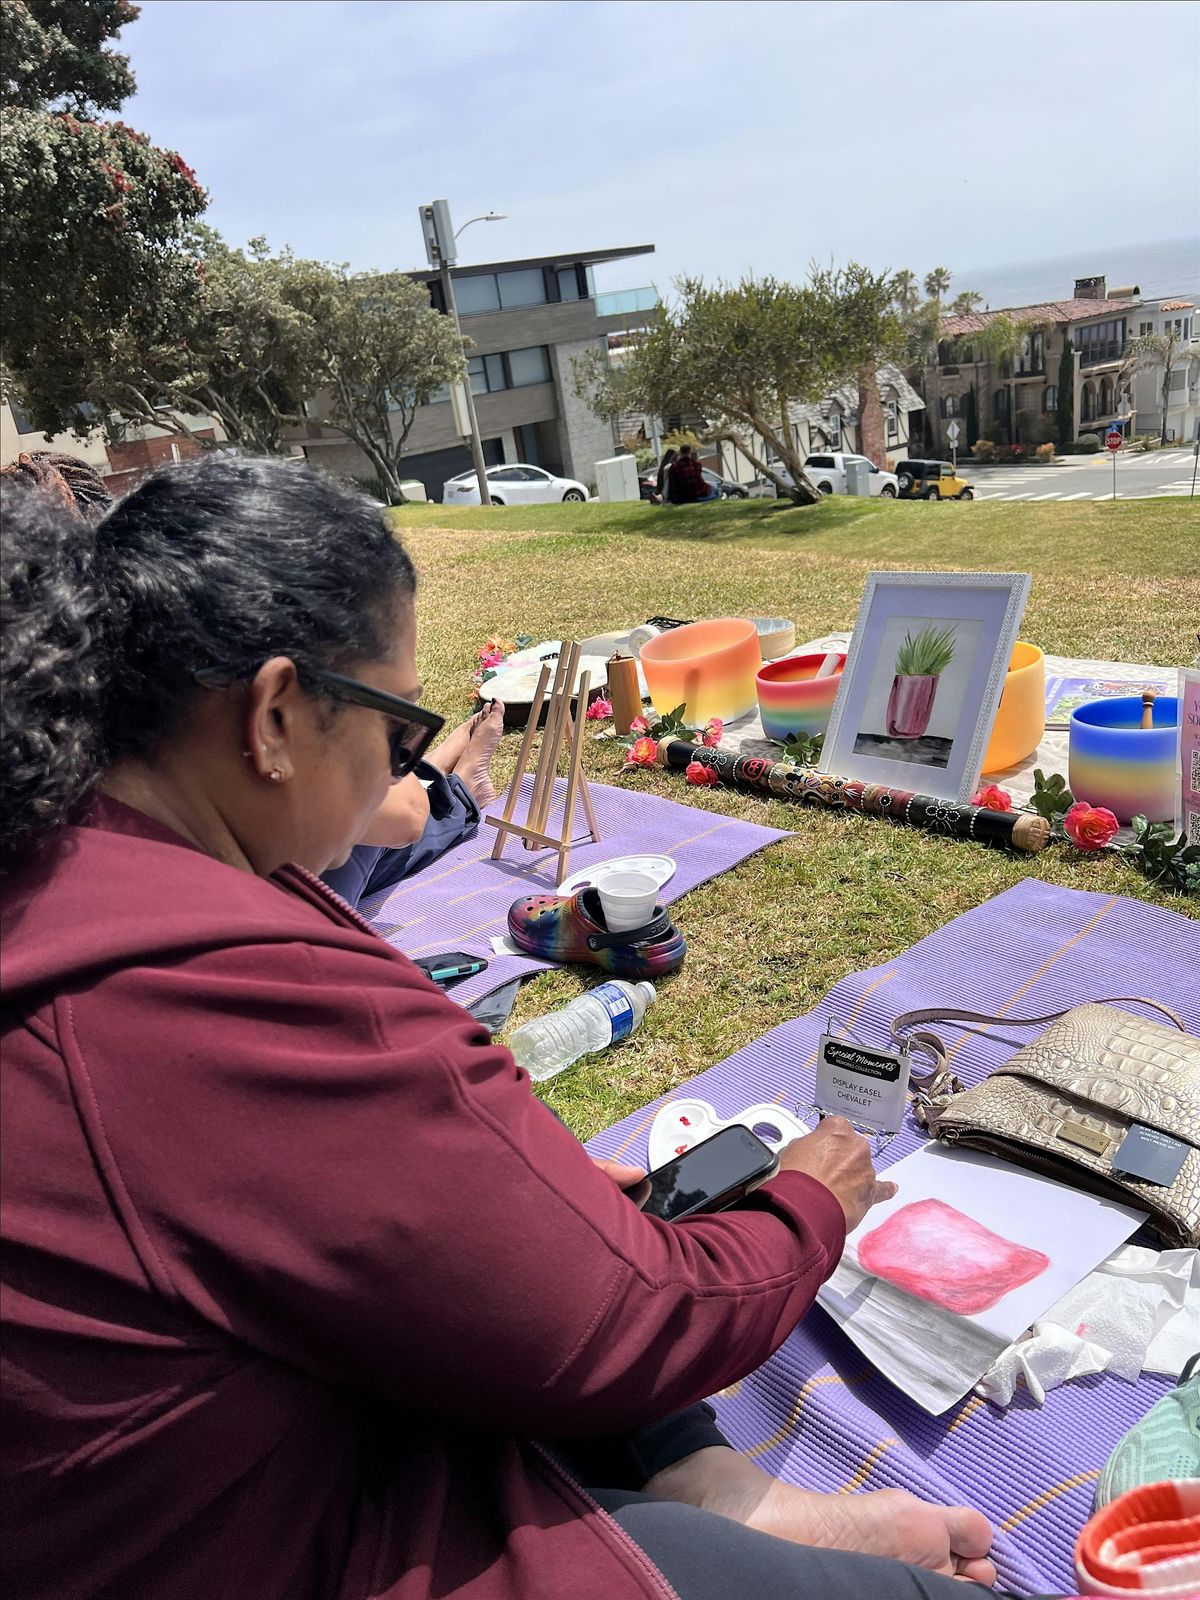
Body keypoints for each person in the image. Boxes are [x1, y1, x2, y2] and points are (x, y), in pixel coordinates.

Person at [1, 456, 1002, 1600]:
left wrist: (506, 1198)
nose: (404, 773)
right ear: (274, 715)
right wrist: (809, 1202)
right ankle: (708, 1501)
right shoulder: (221, 983)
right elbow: (635, 1316)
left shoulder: (59, 859)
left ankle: (713, 1485)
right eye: (397, 730)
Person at [321, 698, 505, 909]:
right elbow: (409, 820)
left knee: (365, 827)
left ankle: (427, 772)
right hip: (310, 910)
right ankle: (458, 792)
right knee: (373, 823)